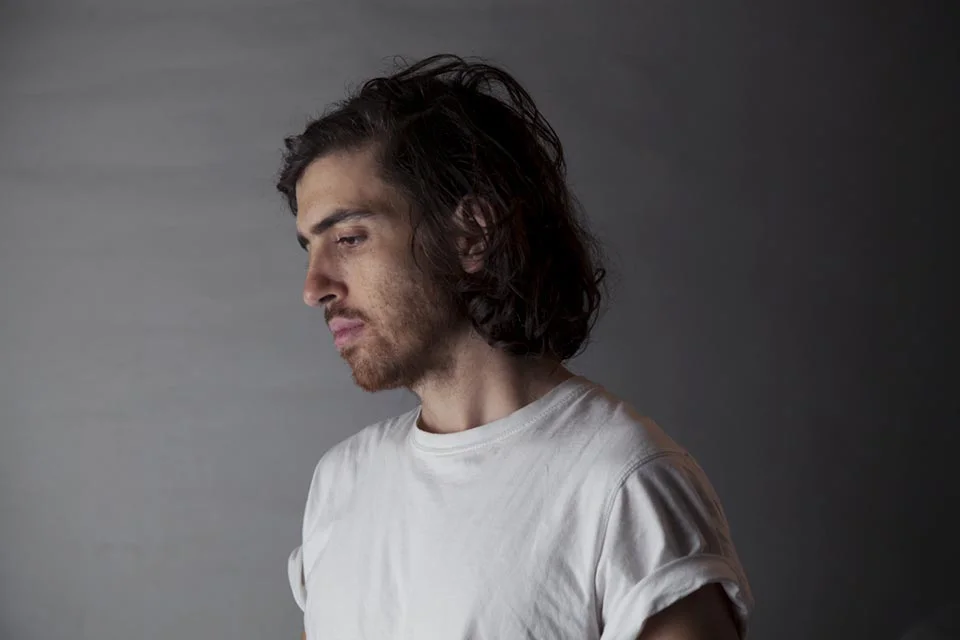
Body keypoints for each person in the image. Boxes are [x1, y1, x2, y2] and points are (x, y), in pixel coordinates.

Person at [277, 54, 754, 640]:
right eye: (309, 248)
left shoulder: (623, 484)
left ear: (472, 235)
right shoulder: (342, 482)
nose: (314, 287)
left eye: (349, 238)